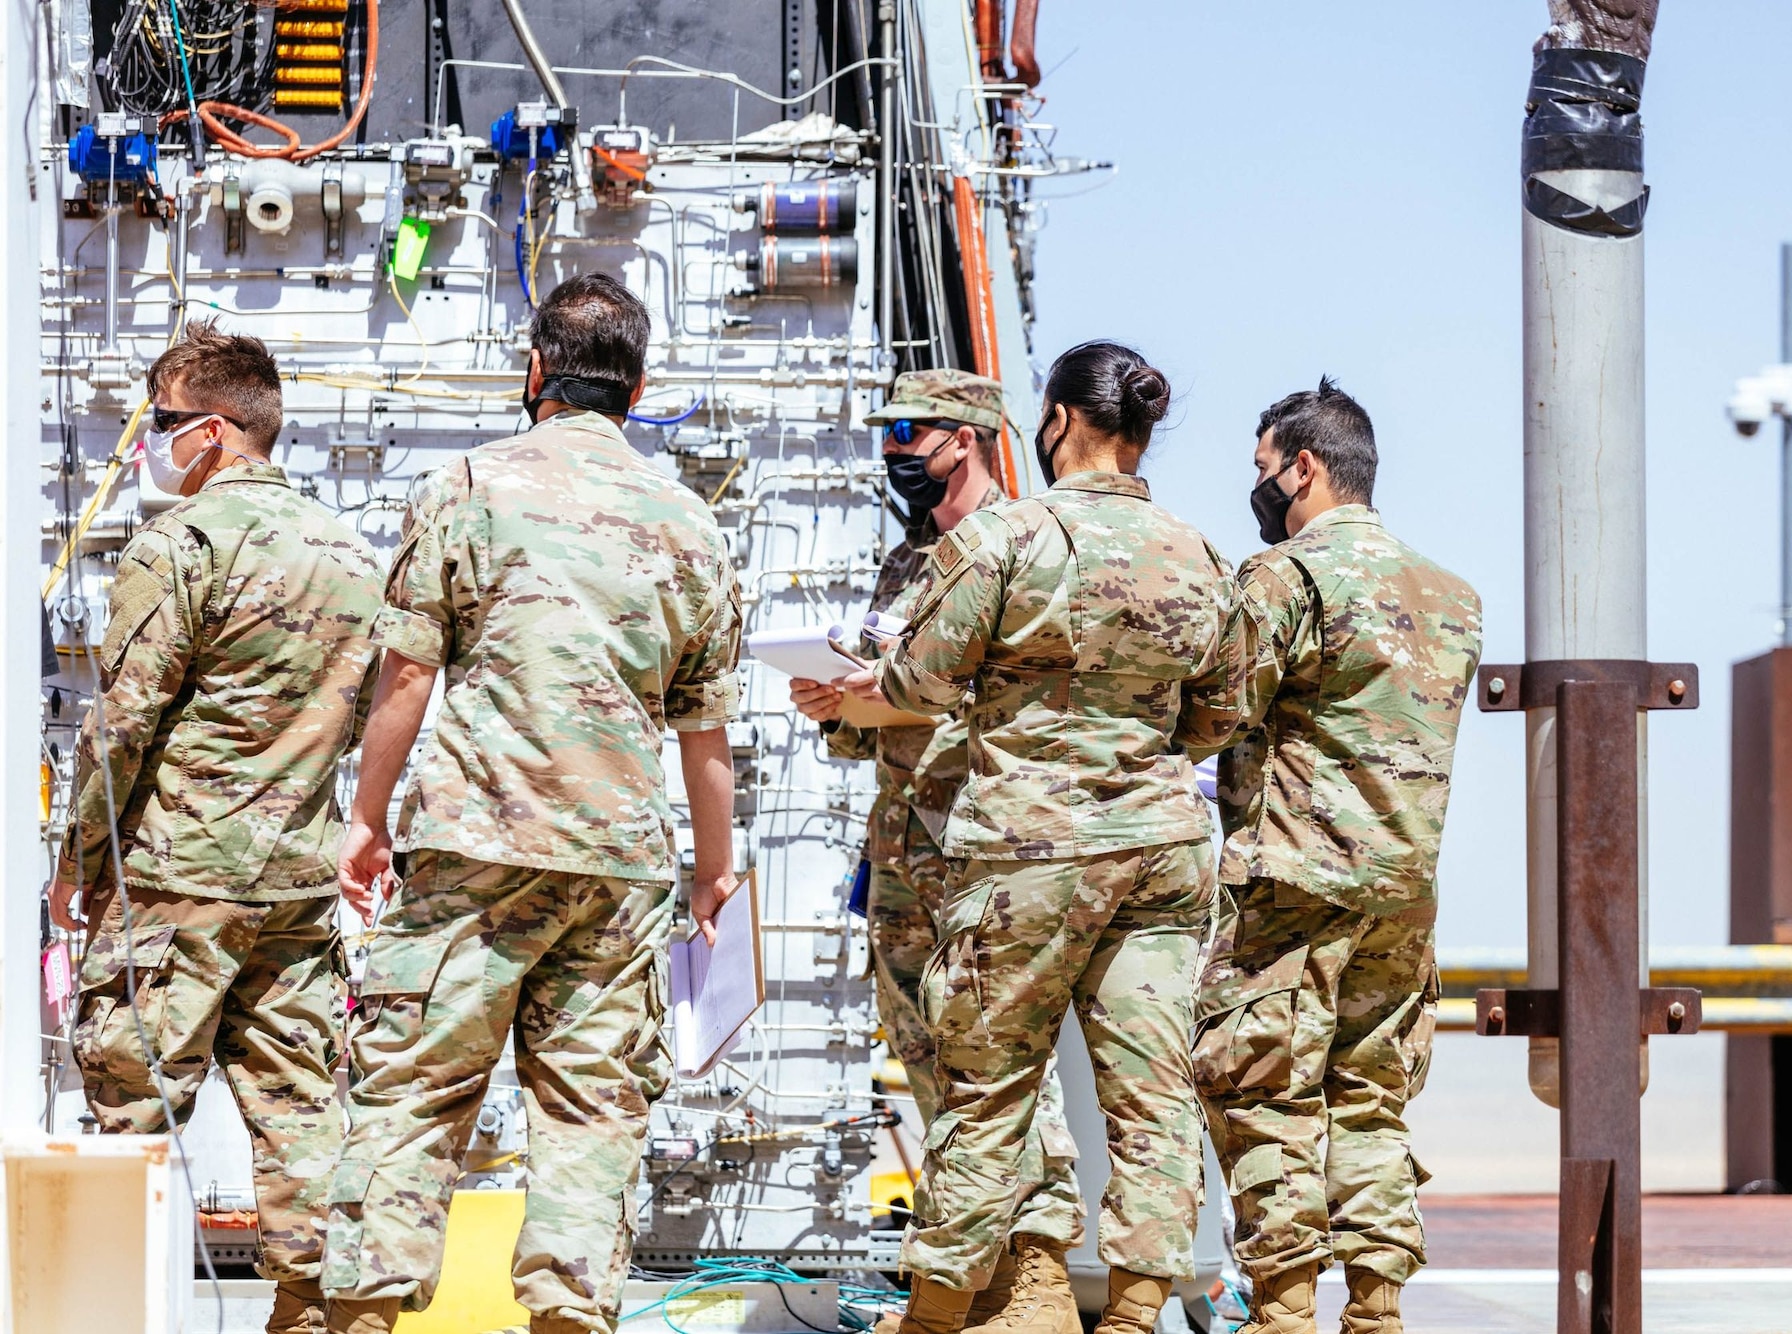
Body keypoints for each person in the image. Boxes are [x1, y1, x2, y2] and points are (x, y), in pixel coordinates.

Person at [320, 273, 743, 1334]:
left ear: (535, 373)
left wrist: (366, 819)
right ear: (638, 389)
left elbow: (408, 676)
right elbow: (705, 733)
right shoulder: (689, 522)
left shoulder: (467, 485)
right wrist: (713, 866)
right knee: (591, 1111)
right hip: (617, 864)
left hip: (473, 843)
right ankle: (566, 1312)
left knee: (415, 1087)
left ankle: (369, 1312)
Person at [839, 342, 1252, 1334]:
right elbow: (1218, 713)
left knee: (985, 1071)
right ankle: (1135, 1304)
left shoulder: (1005, 541)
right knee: (1148, 1084)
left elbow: (921, 685)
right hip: (1158, 846)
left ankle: (938, 1307)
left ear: (1057, 420)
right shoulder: (1195, 552)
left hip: (1030, 850)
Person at [46, 322, 382, 1334]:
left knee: (133, 1118)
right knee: (302, 1116)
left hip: (176, 883)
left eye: (160, 422)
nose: (151, 441)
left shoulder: (180, 543)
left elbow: (124, 720)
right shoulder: (352, 552)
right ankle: (320, 1316)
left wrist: (77, 862)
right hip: (295, 882)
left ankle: (117, 1316)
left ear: (212, 430)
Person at [792, 370, 1085, 1334]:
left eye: (909, 434)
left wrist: (888, 694)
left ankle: (1036, 1271)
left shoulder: (1021, 549)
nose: (893, 453)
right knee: (927, 1062)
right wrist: (833, 703)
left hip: (986, 847)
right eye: (887, 436)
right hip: (902, 851)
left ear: (967, 438)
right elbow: (884, 710)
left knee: (999, 1063)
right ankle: (977, 1276)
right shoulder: (904, 562)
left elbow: (1015, 702)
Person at [1195, 380, 1481, 1334]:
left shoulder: (1285, 578)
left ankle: (1282, 1313)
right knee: (1370, 1096)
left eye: (1264, 467)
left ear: (1303, 467)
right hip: (1403, 893)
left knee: (1263, 1089)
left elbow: (1210, 710)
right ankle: (1377, 1308)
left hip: (1291, 881)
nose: (1261, 486)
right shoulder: (1452, 596)